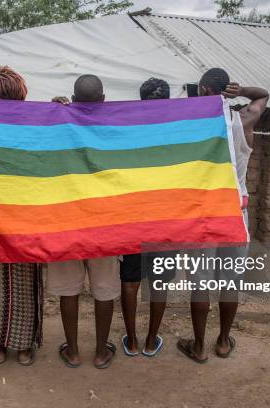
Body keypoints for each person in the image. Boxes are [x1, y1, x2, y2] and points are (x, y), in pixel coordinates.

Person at [177, 68, 269, 363]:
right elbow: (263, 95)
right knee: (230, 283)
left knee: (200, 284)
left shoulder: (193, 129)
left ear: (203, 91)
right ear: (228, 91)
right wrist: (241, 91)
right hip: (235, 214)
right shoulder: (243, 121)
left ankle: (199, 346)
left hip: (204, 216)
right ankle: (223, 342)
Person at [48, 74, 121, 369]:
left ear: (73, 99)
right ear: (103, 100)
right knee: (104, 289)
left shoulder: (60, 123)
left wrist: (52, 110)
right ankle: (102, 352)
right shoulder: (115, 127)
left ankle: (74, 352)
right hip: (105, 223)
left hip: (67, 222)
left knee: (69, 289)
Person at [0, 65, 43, 366]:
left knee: (1, 281)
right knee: (16, 280)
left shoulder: (34, 125)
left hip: (11, 213)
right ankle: (17, 344)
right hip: (0, 213)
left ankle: (4, 344)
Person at [120, 78, 173, 358]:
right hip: (168, 219)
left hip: (134, 218)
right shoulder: (179, 131)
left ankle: (132, 341)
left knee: (130, 282)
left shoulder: (128, 129)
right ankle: (152, 341)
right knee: (160, 283)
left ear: (140, 100)